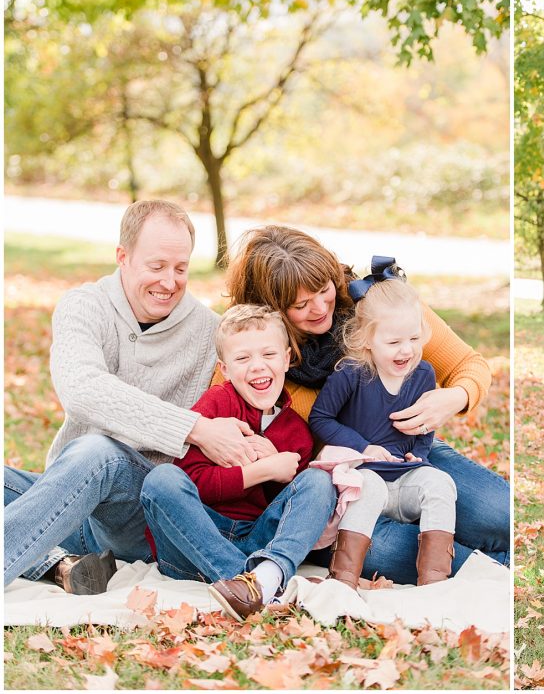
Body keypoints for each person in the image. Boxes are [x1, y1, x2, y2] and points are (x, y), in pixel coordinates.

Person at [224, 226, 507, 584]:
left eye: (324, 289)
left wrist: (454, 397)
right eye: (301, 304)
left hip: (408, 457)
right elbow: (224, 418)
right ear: (273, 310)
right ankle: (494, 569)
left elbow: (469, 364)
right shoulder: (255, 348)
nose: (320, 307)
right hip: (336, 488)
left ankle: (497, 560)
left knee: (499, 513)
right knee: (398, 553)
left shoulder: (379, 305)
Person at [4, 200, 258, 594]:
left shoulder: (211, 332)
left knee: (98, 454)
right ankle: (59, 564)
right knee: (86, 459)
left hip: (142, 515)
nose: (170, 282)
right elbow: (82, 390)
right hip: (75, 506)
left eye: (181, 268)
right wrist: (195, 428)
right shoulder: (84, 306)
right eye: (156, 267)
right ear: (122, 257)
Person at [140, 305, 336, 620]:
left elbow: (290, 513)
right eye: (243, 359)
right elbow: (194, 484)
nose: (257, 367)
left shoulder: (296, 431)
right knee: (161, 480)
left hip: (258, 538)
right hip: (196, 542)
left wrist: (280, 474)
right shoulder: (217, 403)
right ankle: (257, 583)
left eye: (268, 355)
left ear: (286, 359)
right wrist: (263, 470)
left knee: (319, 482)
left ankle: (257, 583)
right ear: (226, 369)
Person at [309, 266, 458, 588]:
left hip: (403, 477)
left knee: (440, 483)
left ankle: (435, 580)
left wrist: (417, 456)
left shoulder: (423, 375)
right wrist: (362, 447)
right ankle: (344, 578)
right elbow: (320, 418)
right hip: (361, 476)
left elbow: (425, 424)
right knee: (370, 486)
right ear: (367, 340)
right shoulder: (352, 373)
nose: (407, 350)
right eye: (393, 342)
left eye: (415, 339)